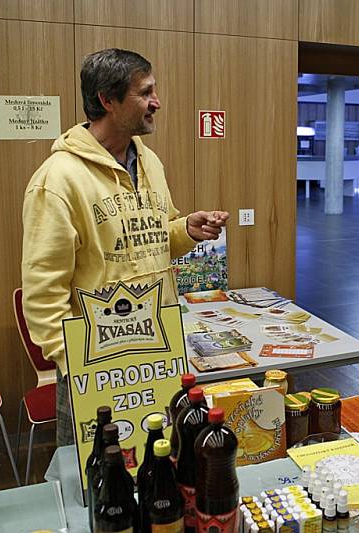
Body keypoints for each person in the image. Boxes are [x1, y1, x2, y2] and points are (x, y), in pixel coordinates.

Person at [21, 49, 229, 446]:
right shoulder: (58, 180)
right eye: (145, 92)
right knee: (100, 489)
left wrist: (186, 228)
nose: (157, 102)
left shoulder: (149, 162)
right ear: (107, 100)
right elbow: (42, 293)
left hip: (157, 358)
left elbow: (152, 240)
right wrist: (77, 365)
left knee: (161, 477)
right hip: (97, 370)